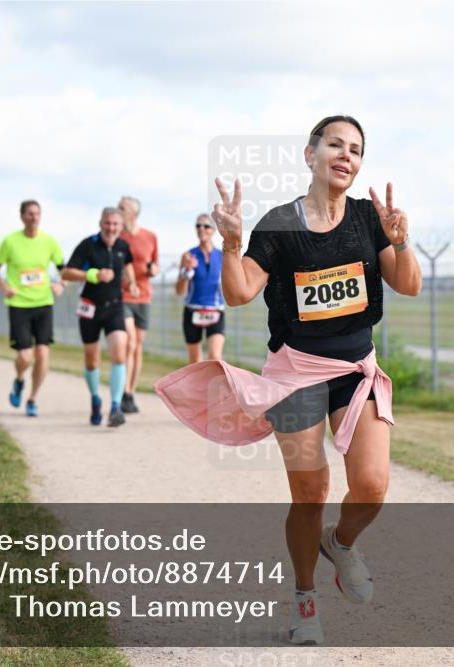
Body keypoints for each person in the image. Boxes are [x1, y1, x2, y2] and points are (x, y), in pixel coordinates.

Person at [157, 116, 422, 645]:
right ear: (310, 155)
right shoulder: (279, 225)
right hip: (296, 372)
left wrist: (402, 241)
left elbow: (408, 284)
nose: (345, 155)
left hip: (354, 371)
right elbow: (238, 293)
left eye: (356, 150)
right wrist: (232, 247)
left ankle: (341, 544)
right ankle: (306, 603)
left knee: (371, 486)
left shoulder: (370, 218)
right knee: (311, 489)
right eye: (335, 145)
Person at [62, 207, 140, 427]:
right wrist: (93, 275)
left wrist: (132, 283)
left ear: (121, 226)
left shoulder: (123, 246)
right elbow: (67, 272)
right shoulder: (88, 245)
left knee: (120, 352)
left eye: (115, 224)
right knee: (92, 359)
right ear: (100, 223)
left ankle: (115, 406)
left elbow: (128, 266)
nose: (111, 227)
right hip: (90, 308)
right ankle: (96, 398)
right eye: (107, 223)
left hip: (115, 307)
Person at [0, 200, 66, 417]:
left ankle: (32, 399)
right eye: (30, 214)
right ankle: (19, 380)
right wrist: (5, 288)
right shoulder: (10, 241)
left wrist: (61, 284)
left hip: (43, 303)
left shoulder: (49, 241)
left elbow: (65, 270)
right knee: (25, 357)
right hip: (19, 304)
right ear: (22, 216)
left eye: (37, 214)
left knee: (42, 353)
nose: (34, 217)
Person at [118, 195, 159, 414]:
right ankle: (123, 390)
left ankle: (130, 393)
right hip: (123, 296)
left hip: (144, 297)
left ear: (133, 212)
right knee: (130, 342)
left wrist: (154, 270)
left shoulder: (150, 236)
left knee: (138, 347)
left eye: (121, 208)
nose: (118, 211)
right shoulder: (118, 237)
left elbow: (155, 265)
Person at [175, 214, 226, 364]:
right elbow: (179, 290)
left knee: (215, 358)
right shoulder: (188, 255)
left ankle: (213, 388)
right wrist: (187, 270)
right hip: (192, 310)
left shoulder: (222, 256)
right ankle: (198, 388)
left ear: (213, 230)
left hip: (215, 310)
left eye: (206, 226)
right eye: (198, 226)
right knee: (195, 361)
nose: (201, 229)